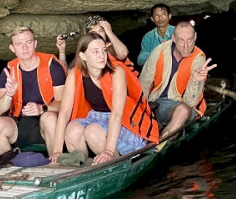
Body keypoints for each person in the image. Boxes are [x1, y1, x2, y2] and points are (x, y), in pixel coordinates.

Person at [50, 33, 159, 164]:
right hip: (95, 117)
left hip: (125, 121)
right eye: (95, 52)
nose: (102, 56)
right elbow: (64, 113)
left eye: (103, 51)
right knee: (72, 129)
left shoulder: (116, 72)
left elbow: (117, 114)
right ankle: (84, 166)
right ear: (83, 56)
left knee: (92, 131)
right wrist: (57, 151)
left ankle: (117, 161)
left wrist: (108, 151)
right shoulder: (75, 74)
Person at [0, 26, 67, 154]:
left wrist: (42, 108)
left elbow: (64, 103)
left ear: (35, 44)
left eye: (28, 42)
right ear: (12, 48)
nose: (25, 48)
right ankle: (9, 167)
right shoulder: (9, 71)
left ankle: (56, 162)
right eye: (19, 44)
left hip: (48, 126)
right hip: (20, 125)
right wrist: (9, 94)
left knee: (49, 118)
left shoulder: (53, 67)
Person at [140, 21, 216, 136]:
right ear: (174, 39)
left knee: (182, 111)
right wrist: (141, 109)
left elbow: (189, 103)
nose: (186, 46)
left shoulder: (198, 61)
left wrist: (195, 81)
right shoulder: (160, 50)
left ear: (195, 37)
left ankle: (158, 148)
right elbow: (144, 82)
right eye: (181, 40)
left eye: (189, 40)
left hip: (180, 105)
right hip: (156, 101)